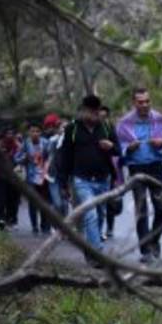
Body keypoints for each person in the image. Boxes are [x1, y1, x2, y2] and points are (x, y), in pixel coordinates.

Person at [57, 94, 120, 261]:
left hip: (103, 179)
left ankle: (91, 249)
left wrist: (111, 146)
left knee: (99, 216)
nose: (94, 115)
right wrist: (63, 183)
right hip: (81, 179)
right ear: (83, 111)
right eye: (90, 112)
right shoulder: (72, 129)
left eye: (96, 112)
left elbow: (119, 150)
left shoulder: (106, 127)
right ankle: (97, 253)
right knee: (90, 214)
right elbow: (65, 156)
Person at [116, 88, 162, 263]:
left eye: (147, 101)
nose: (145, 105)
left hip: (156, 167)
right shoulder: (124, 123)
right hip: (136, 169)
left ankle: (154, 242)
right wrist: (128, 148)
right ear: (134, 103)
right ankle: (145, 250)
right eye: (140, 102)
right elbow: (117, 149)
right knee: (142, 210)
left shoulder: (160, 119)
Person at [19, 121, 53, 235]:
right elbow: (17, 158)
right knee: (33, 203)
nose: (35, 133)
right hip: (31, 178)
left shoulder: (46, 143)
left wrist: (47, 164)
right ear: (29, 132)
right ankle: (34, 226)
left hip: (44, 177)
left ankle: (45, 226)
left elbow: (51, 158)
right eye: (32, 131)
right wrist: (25, 158)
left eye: (37, 131)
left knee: (45, 202)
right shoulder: (25, 144)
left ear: (41, 132)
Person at [98, 104, 123, 241]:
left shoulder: (110, 129)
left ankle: (109, 228)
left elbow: (118, 151)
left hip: (109, 172)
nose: (102, 119)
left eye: (104, 116)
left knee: (109, 203)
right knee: (98, 205)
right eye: (99, 116)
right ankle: (97, 231)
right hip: (89, 174)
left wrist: (111, 146)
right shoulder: (88, 130)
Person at [41, 113, 66, 218]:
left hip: (65, 175)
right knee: (57, 202)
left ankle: (65, 224)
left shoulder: (67, 140)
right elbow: (45, 156)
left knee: (64, 202)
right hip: (52, 175)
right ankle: (58, 223)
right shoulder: (51, 141)